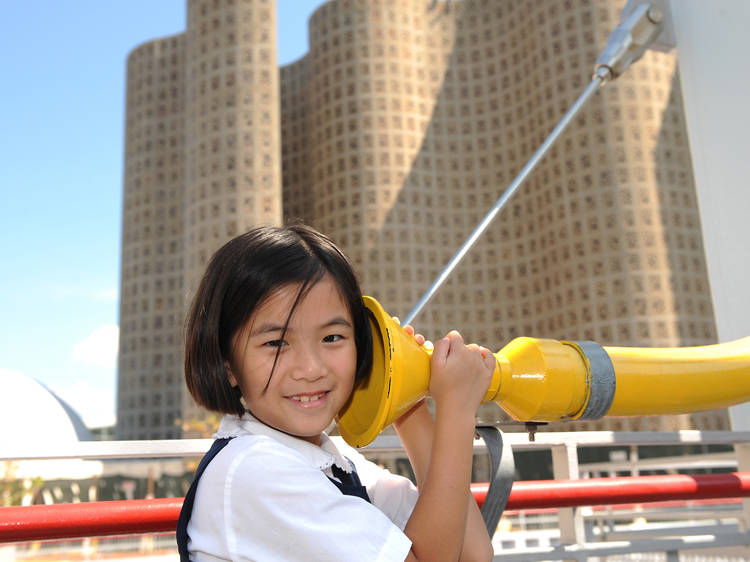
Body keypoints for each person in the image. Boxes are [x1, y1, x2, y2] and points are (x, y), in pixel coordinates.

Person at [178, 224, 496, 561]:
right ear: (228, 366)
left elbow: (471, 552)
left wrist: (406, 399)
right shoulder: (253, 470)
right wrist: (457, 410)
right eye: (275, 343)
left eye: (332, 338)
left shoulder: (332, 463)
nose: (311, 368)